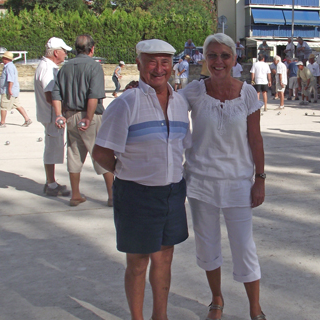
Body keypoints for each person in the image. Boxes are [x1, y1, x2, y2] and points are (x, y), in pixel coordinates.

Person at [92, 39, 190, 320]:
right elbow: (101, 152)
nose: (158, 69)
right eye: (152, 61)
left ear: (172, 65)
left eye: (165, 62)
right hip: (136, 194)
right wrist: (128, 170)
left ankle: (161, 316)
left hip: (172, 193)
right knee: (137, 263)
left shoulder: (180, 102)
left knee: (164, 258)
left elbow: (183, 144)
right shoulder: (126, 104)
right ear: (138, 63)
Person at [180, 33, 267, 320]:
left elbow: (255, 139)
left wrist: (260, 178)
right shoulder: (192, 91)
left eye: (224, 56)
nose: (218, 62)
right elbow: (167, 109)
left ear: (234, 59)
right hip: (201, 182)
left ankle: (255, 307)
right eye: (212, 55)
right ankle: (216, 299)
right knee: (207, 244)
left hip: (238, 182)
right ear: (204, 58)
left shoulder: (248, 93)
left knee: (244, 246)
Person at [51, 34, 114, 207]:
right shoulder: (94, 67)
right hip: (90, 116)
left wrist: (59, 115)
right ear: (92, 49)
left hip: (70, 115)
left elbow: (56, 95)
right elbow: (94, 95)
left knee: (74, 154)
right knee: (102, 154)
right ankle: (112, 196)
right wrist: (88, 117)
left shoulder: (64, 68)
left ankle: (76, 195)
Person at [34, 37, 72, 197]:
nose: (65, 54)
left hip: (48, 114)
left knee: (52, 147)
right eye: (63, 51)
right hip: (51, 115)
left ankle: (51, 181)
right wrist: (60, 114)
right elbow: (51, 95)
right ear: (56, 52)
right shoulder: (48, 69)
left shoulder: (46, 66)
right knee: (51, 148)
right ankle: (51, 183)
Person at [0, 51, 32, 128]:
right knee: (17, 105)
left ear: (6, 58)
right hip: (12, 90)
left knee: (3, 106)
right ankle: (27, 119)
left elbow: (10, 80)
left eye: (3, 57)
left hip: (7, 90)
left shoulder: (9, 67)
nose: (2, 59)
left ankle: (2, 123)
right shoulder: (10, 66)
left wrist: (9, 90)